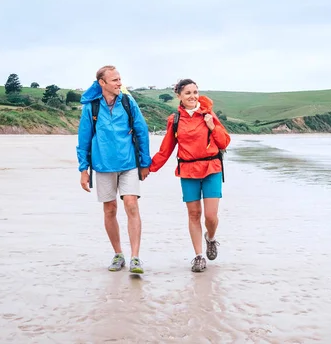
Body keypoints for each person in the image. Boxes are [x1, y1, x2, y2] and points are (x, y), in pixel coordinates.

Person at [149, 78, 231, 272]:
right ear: (179, 96)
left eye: (195, 92)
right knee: (194, 214)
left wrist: (213, 126)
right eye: (188, 93)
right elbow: (166, 149)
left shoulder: (208, 115)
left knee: (211, 217)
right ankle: (198, 256)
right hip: (187, 170)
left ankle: (210, 238)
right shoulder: (175, 120)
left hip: (212, 168)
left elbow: (225, 142)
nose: (193, 96)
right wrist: (149, 168)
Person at [76, 65, 151, 274]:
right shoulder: (92, 107)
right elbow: (83, 139)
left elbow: (142, 131)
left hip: (128, 163)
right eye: (115, 80)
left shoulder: (128, 102)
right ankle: (118, 254)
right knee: (109, 210)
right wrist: (83, 169)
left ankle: (135, 258)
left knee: (131, 204)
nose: (120, 83)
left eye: (120, 79)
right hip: (102, 165)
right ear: (102, 83)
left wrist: (145, 163)